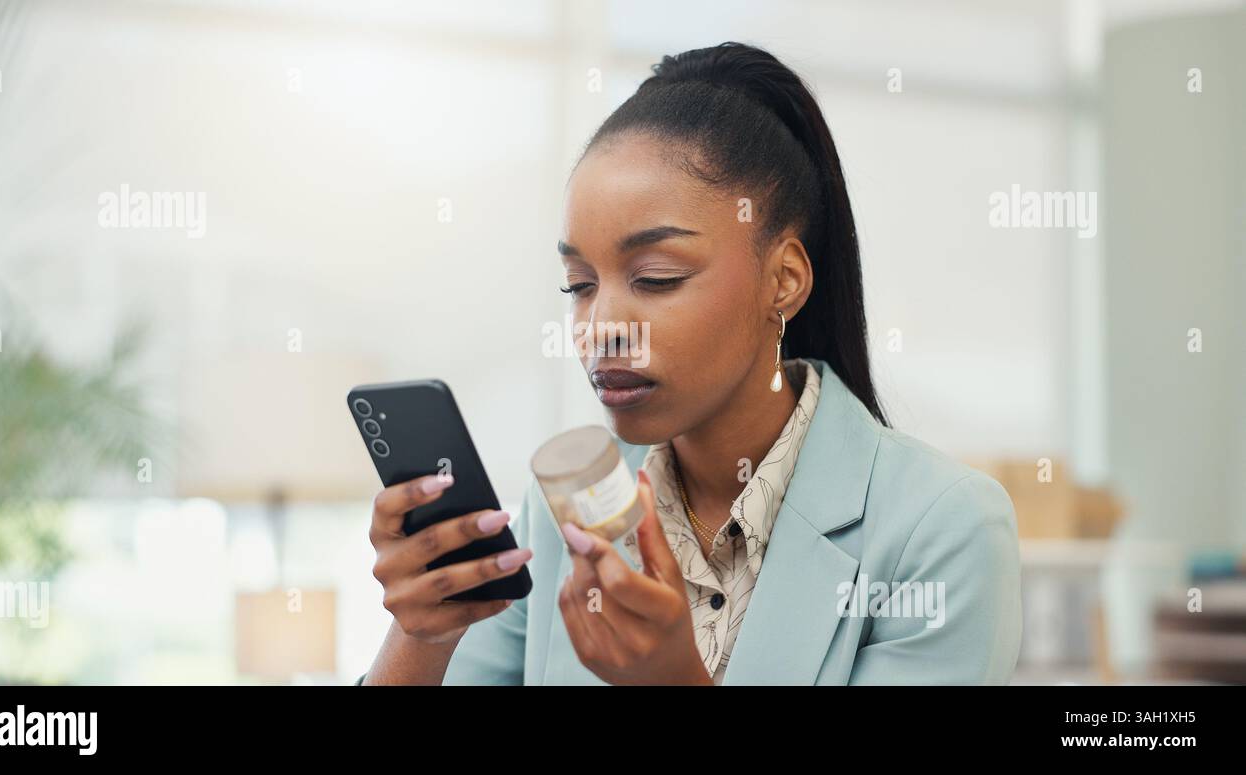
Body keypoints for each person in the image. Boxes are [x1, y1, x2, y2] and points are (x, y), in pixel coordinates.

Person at [358, 41, 1021, 686]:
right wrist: (426, 635)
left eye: (655, 277)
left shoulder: (943, 531)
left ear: (783, 278)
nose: (602, 329)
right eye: (579, 284)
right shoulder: (562, 516)